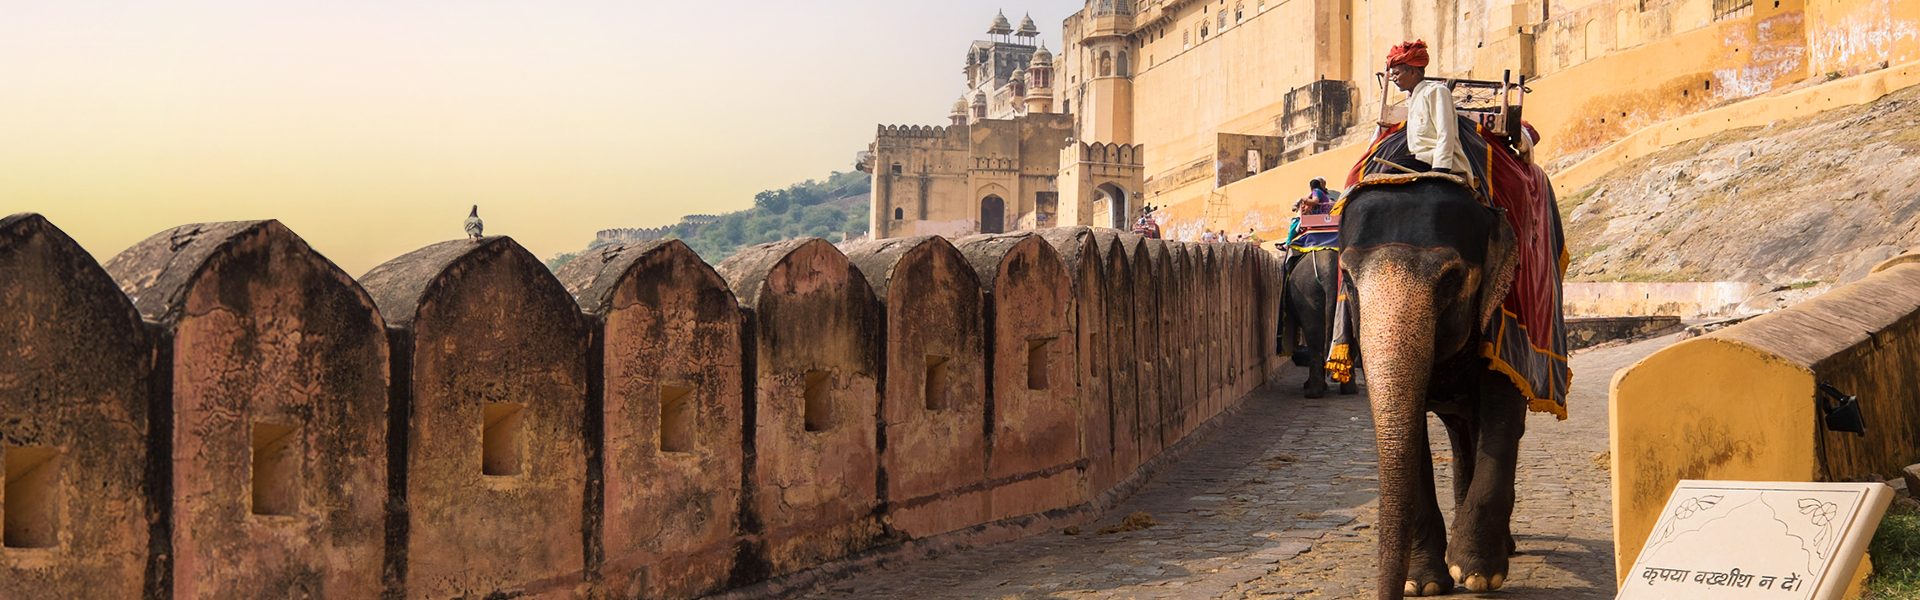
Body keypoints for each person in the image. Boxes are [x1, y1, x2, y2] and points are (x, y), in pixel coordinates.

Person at [1385, 40, 1469, 176]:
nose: (1394, 78)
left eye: (1396, 73)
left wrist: (1440, 169)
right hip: (1419, 161)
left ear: (1413, 72)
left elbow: (1445, 133)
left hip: (1438, 163)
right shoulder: (1412, 100)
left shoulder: (1436, 91)